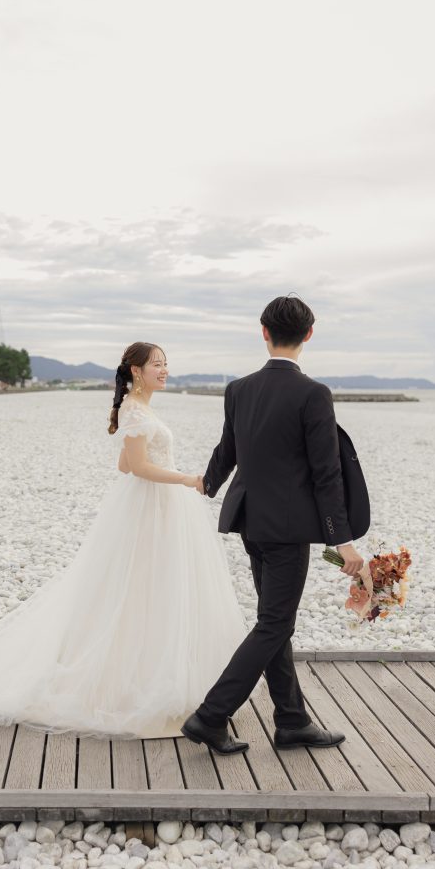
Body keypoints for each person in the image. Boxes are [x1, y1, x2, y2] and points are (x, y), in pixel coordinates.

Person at [0, 341, 249, 739]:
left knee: (149, 590)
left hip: (156, 506)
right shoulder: (135, 410)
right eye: (157, 364)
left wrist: (169, 476)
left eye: (166, 364)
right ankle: (133, 684)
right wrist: (186, 479)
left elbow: (124, 464)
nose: (165, 370)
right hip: (153, 506)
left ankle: (148, 674)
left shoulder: (140, 409)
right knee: (141, 591)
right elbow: (136, 467)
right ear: (136, 371)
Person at [181, 294, 368, 755]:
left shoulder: (238, 389)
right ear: (308, 334)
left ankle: (291, 720)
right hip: (287, 532)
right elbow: (327, 475)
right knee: (274, 624)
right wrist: (344, 544)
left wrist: (207, 482)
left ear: (263, 332)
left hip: (251, 523)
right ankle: (211, 715)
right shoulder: (313, 394)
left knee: (274, 621)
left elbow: (228, 450)